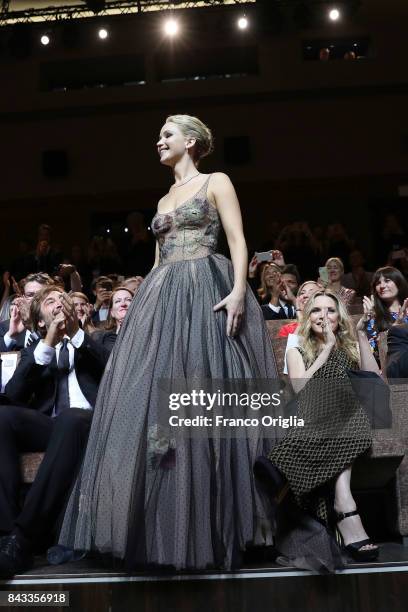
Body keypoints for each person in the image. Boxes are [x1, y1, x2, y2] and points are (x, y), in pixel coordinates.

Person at [57, 114, 278, 571]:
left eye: (167, 135)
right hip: (162, 298)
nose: (158, 142)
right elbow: (158, 261)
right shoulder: (162, 198)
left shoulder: (216, 180)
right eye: (159, 136)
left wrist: (239, 289)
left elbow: (238, 239)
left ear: (191, 141)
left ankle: (220, 527)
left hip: (206, 288)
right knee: (155, 408)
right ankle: (160, 529)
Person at [255, 290, 380, 571]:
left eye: (331, 310)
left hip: (347, 413)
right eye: (316, 310)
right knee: (336, 386)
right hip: (309, 409)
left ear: (340, 317)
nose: (323, 315)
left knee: (346, 391)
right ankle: (344, 504)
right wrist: (325, 351)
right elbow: (299, 388)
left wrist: (360, 336)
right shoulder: (296, 349)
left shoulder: (349, 348)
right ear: (308, 317)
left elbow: (373, 380)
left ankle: (288, 461)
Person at [0, 286, 113, 577]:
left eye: (63, 298)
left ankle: (24, 538)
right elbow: (13, 394)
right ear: (39, 321)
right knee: (2, 416)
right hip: (51, 426)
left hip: (91, 423)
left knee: (72, 418)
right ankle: (8, 535)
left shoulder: (95, 339)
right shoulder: (34, 350)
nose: (59, 302)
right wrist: (48, 342)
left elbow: (112, 371)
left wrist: (76, 333)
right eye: (50, 301)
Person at [363, 266, 408, 361]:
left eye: (387, 280)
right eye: (378, 283)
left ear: (399, 283)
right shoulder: (374, 317)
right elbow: (374, 352)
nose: (382, 286)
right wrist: (395, 327)